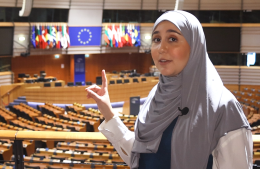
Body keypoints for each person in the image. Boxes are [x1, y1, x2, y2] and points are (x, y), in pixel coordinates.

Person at [85, 10, 252, 169]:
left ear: (195, 46)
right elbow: (142, 158)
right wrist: (107, 111)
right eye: (157, 39)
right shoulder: (156, 95)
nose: (161, 48)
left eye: (172, 39)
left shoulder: (224, 106)